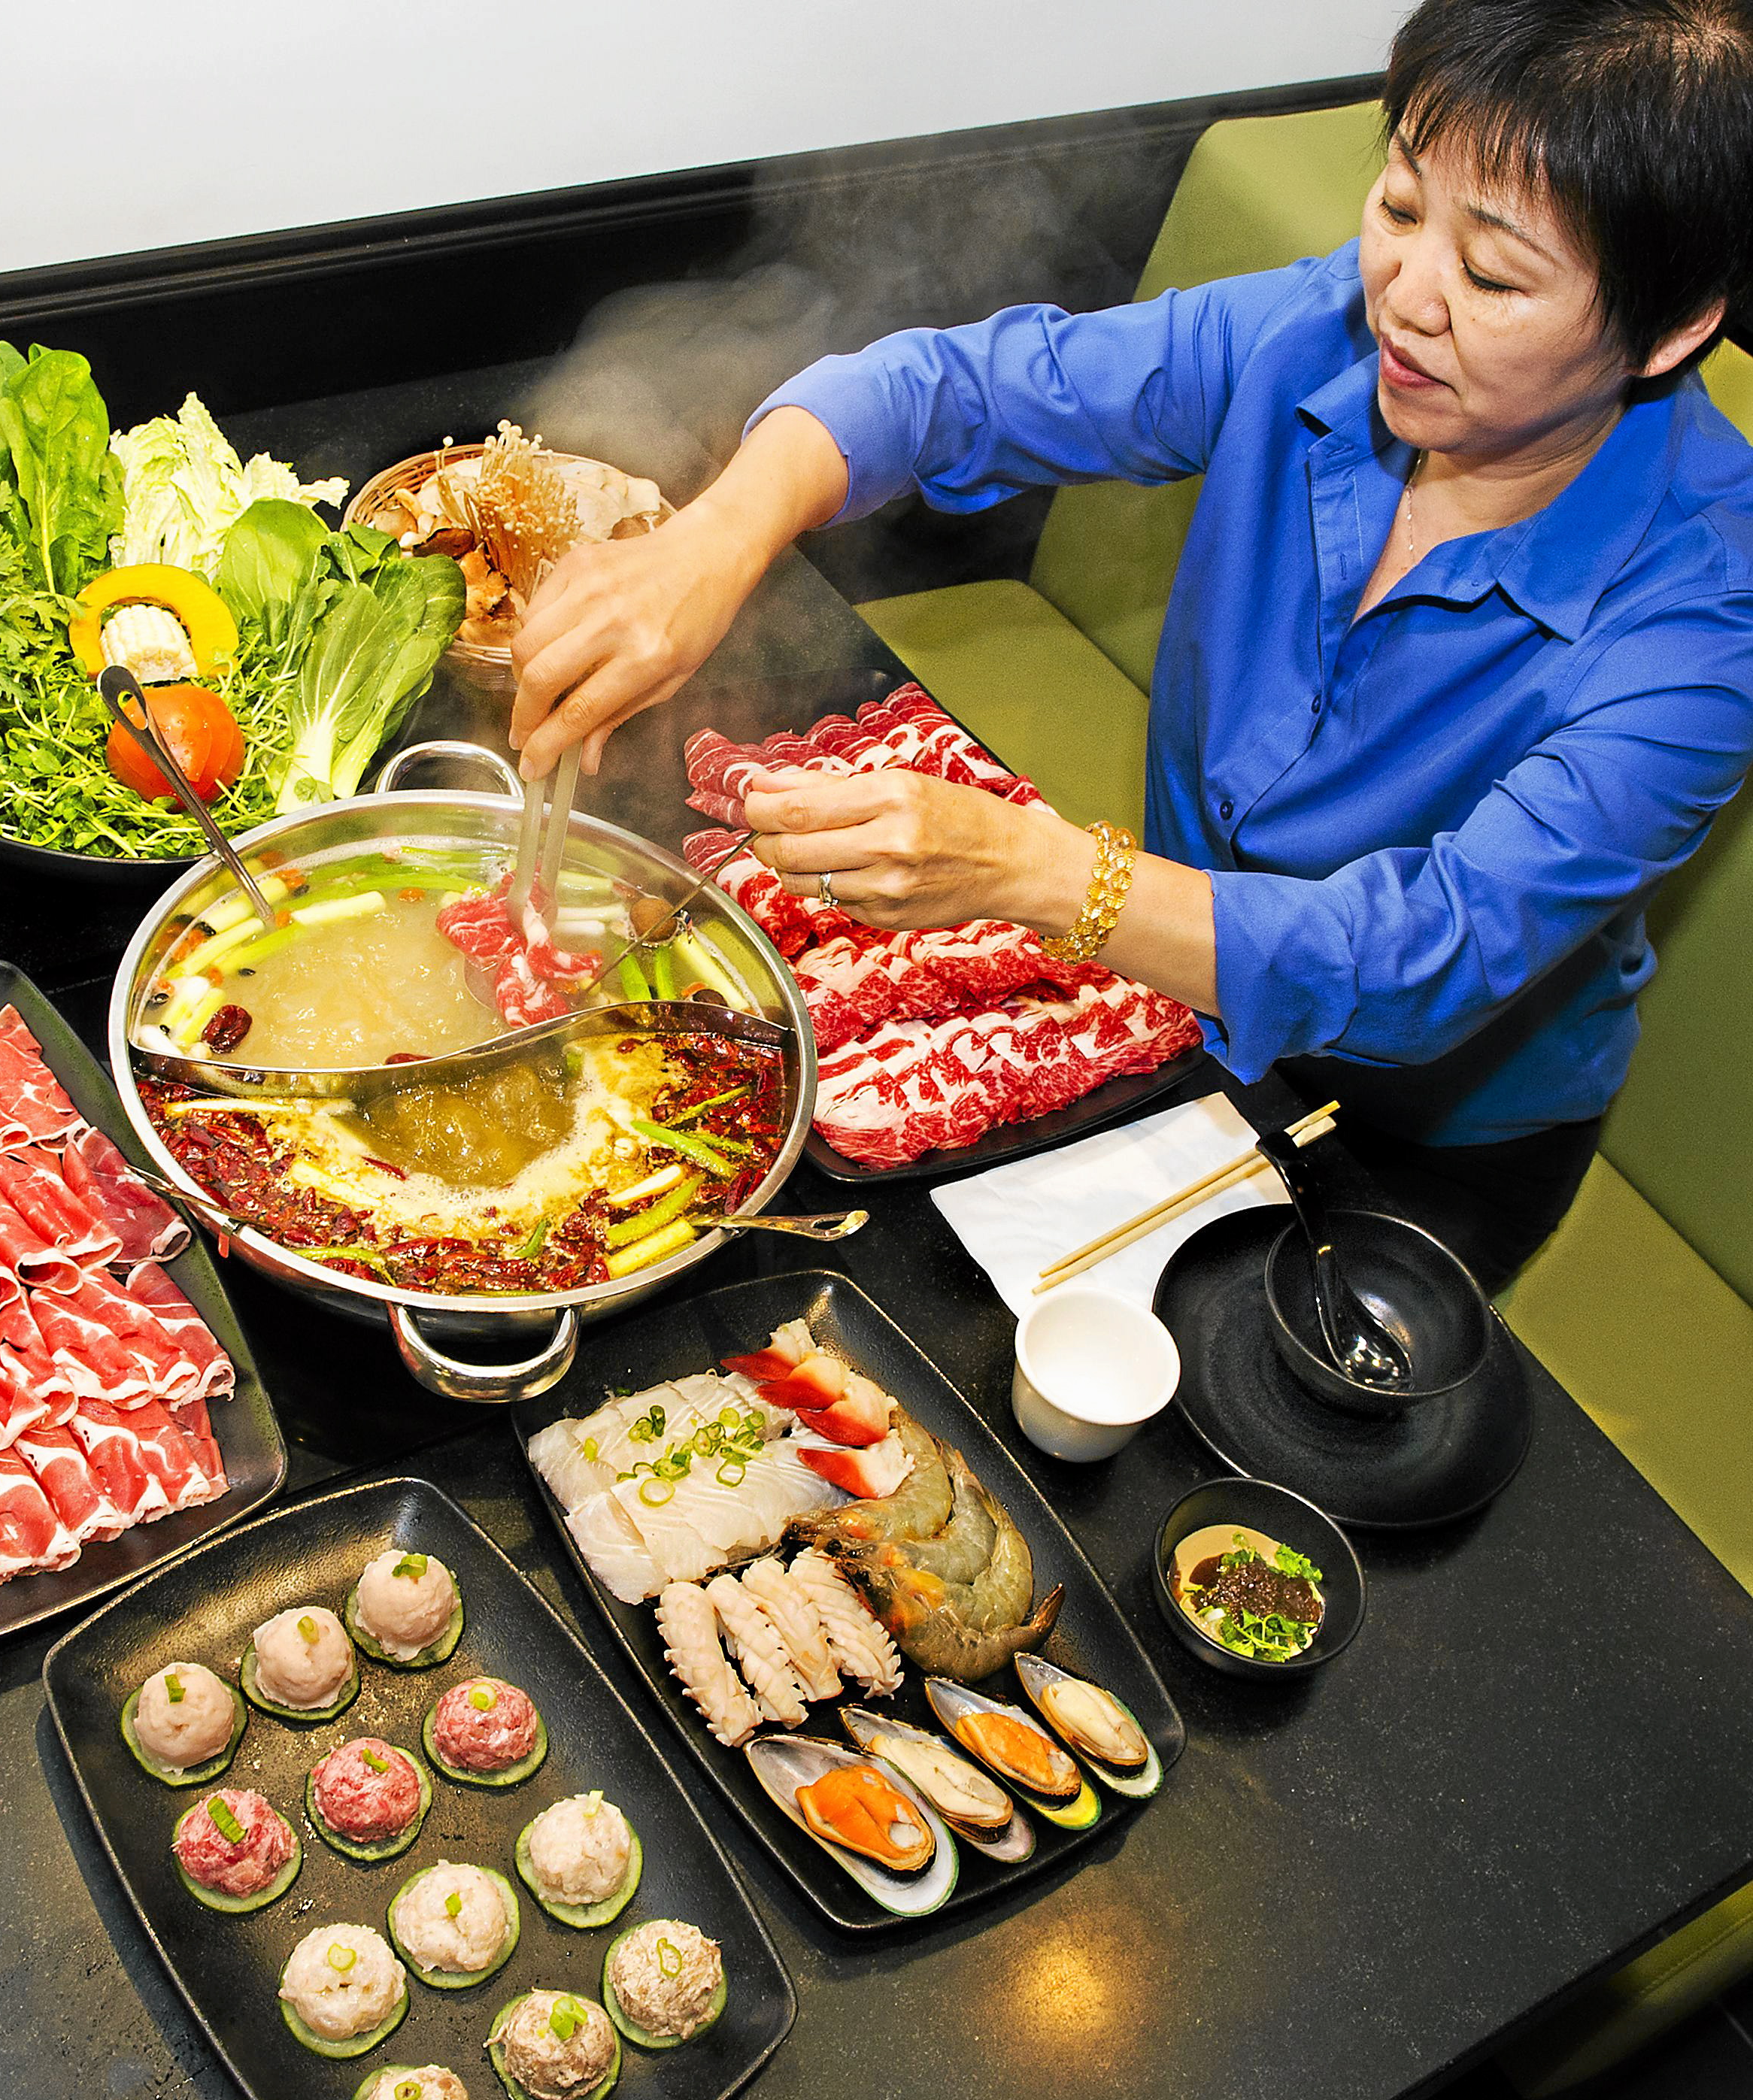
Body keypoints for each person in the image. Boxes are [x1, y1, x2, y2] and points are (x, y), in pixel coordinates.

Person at [503, 0, 1753, 1287]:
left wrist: (1045, 876)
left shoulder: (1707, 621)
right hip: (1154, 994)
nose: (1405, 299)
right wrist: (714, 540)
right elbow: (960, 392)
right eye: (1397, 205)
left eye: (1492, 276)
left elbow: (1419, 955)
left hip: (1421, 1129)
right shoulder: (1322, 329)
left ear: (1670, 330)